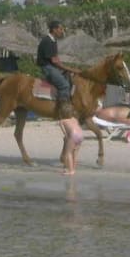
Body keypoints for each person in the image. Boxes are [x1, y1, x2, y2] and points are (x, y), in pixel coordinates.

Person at [36, 19, 83, 174]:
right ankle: (64, 108)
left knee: (68, 78)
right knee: (63, 85)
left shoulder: (53, 41)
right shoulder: (47, 41)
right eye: (61, 28)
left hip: (52, 66)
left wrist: (69, 70)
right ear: (54, 29)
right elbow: (55, 62)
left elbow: (58, 61)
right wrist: (71, 68)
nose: (62, 31)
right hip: (47, 68)